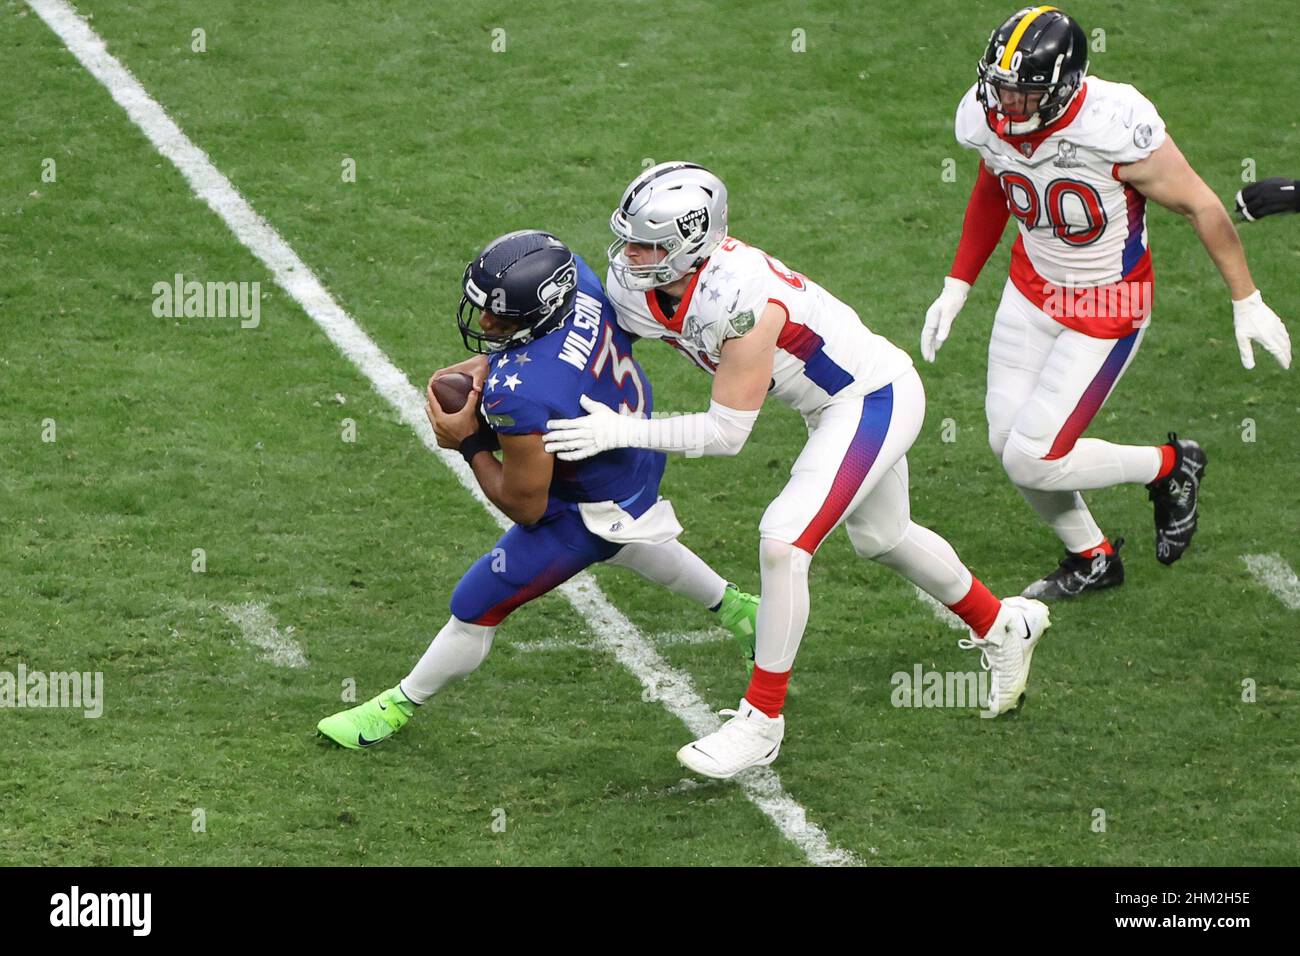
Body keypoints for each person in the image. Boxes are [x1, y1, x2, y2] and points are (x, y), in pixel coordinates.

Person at [544, 164, 1050, 780]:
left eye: (649, 245)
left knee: (783, 542)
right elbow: (597, 340)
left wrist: (618, 430)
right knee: (884, 538)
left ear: (692, 245)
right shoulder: (647, 282)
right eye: (628, 238)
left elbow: (726, 434)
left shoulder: (742, 301)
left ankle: (761, 724)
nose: (630, 256)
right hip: (834, 405)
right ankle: (1007, 625)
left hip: (873, 399)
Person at [317, 230, 759, 750]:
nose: (485, 323)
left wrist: (468, 443)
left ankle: (397, 705)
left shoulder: (521, 395)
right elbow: (576, 351)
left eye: (501, 319)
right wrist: (495, 360)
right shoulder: (581, 281)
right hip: (631, 448)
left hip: (588, 502)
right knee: (634, 541)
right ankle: (738, 610)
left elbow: (526, 505)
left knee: (476, 603)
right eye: (485, 309)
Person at [921, 6, 1291, 599]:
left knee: (1032, 457)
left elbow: (1201, 204)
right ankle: (1091, 555)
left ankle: (1172, 466)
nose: (1005, 104)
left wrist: (1245, 297)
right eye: (1001, 86)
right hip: (1031, 290)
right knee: (1004, 440)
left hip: (1107, 303)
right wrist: (958, 282)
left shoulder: (1113, 123)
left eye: (1022, 93)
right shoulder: (987, 114)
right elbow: (996, 178)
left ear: (1063, 87)